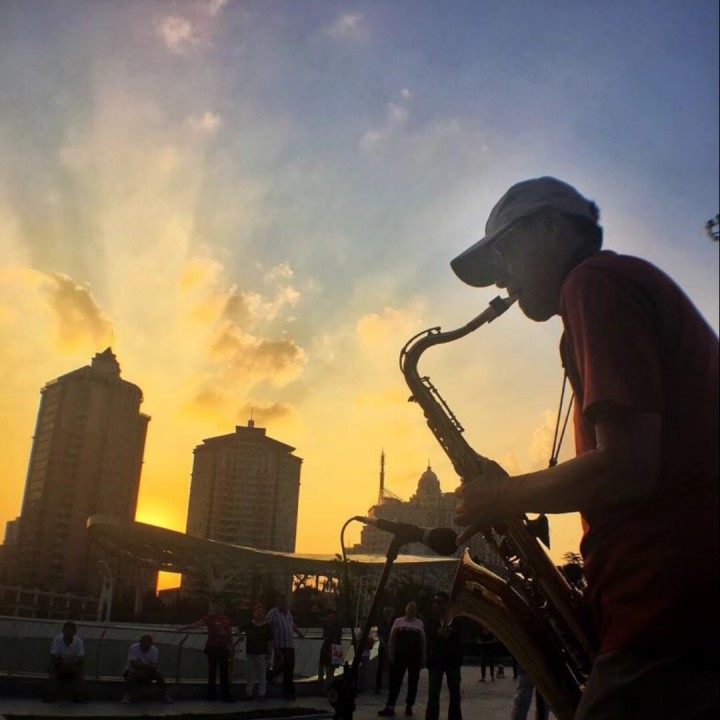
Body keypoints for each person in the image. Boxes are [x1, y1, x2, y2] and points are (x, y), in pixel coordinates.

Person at [450, 176, 719, 719]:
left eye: (503, 251)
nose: (499, 278)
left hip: (667, 618)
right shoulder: (611, 287)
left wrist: (502, 496)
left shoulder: (594, 284)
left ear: (552, 227)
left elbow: (627, 467)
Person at [178, 596, 236, 702]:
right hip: (212, 648)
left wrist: (231, 645)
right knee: (212, 671)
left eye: (222, 605)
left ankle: (226, 695)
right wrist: (183, 628)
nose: (220, 607)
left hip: (224, 648)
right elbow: (196, 624)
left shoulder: (226, 619)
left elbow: (229, 633)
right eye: (218, 605)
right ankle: (211, 694)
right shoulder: (209, 618)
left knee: (224, 672)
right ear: (215, 606)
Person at [378, 601, 426, 717]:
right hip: (400, 656)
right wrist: (391, 653)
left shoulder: (419, 623)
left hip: (414, 657)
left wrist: (424, 656)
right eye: (409, 608)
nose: (411, 611)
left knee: (413, 681)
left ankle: (409, 705)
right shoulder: (398, 622)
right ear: (406, 609)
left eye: (413, 609)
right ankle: (390, 705)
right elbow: (392, 638)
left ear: (415, 611)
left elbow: (423, 640)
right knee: (395, 681)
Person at [424, 591, 463, 720]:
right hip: (436, 659)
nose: (436, 605)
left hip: (452, 660)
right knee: (433, 692)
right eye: (435, 602)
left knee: (455, 693)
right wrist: (437, 633)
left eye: (439, 602)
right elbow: (427, 632)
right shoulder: (430, 618)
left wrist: (450, 633)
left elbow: (461, 634)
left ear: (446, 604)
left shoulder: (456, 618)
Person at [266, 594, 306, 700]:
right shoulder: (273, 612)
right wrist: (271, 641)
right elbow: (267, 626)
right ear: (277, 603)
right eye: (281, 602)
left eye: (284, 602)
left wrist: (299, 633)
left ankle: (288, 691)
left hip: (289, 645)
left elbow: (292, 625)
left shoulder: (288, 612)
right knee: (283, 667)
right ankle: (274, 679)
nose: (283, 604)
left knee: (289, 668)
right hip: (280, 646)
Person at [121, 634, 172, 704]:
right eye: (144, 644)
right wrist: (147, 666)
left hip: (147, 672)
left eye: (148, 645)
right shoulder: (133, 648)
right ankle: (127, 694)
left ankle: (165, 694)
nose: (146, 646)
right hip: (133, 671)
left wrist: (143, 667)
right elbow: (133, 663)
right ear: (140, 642)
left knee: (158, 675)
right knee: (131, 673)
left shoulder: (154, 650)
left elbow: (154, 665)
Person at [44, 621, 86, 703]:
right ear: (63, 631)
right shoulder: (57, 639)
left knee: (80, 674)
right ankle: (49, 695)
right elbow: (53, 655)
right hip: (60, 665)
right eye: (67, 631)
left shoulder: (79, 641)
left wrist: (70, 662)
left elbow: (81, 658)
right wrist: (63, 661)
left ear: (74, 633)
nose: (69, 634)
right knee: (52, 671)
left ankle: (79, 696)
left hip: (72, 666)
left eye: (71, 632)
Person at [240, 603, 273, 701]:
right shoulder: (249, 624)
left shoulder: (267, 626)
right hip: (250, 652)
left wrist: (270, 654)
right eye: (258, 612)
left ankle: (262, 694)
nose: (259, 614)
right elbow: (238, 629)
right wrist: (240, 636)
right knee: (250, 674)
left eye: (262, 612)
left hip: (262, 653)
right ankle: (249, 692)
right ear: (254, 613)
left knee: (262, 675)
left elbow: (270, 641)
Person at [318, 607, 342, 690]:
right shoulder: (326, 625)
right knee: (324, 668)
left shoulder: (337, 625)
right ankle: (324, 687)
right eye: (328, 615)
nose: (330, 617)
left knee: (330, 670)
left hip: (334, 648)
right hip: (328, 648)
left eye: (331, 615)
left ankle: (327, 687)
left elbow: (336, 637)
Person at [375, 606, 395, 694]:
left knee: (392, 667)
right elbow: (379, 635)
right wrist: (384, 644)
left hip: (391, 646)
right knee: (380, 666)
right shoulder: (381, 623)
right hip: (382, 646)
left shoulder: (394, 624)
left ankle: (391, 686)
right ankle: (378, 687)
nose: (387, 615)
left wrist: (390, 644)